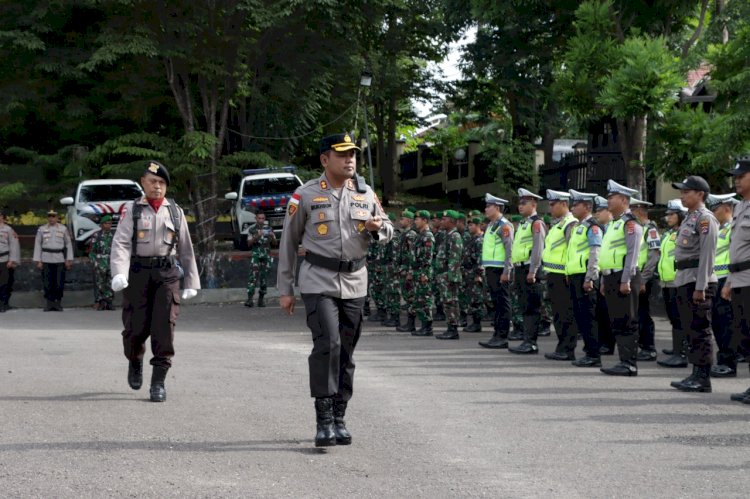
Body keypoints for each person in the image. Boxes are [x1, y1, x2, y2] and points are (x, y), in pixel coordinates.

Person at [276, 132, 393, 447]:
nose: (350, 159)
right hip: (318, 280)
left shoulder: (365, 193)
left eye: (352, 154)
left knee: (347, 351)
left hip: (355, 282)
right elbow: (288, 241)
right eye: (342, 154)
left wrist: (377, 228)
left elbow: (388, 227)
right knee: (328, 344)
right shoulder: (305, 194)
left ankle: (340, 417)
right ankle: (323, 420)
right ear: (325, 159)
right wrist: (285, 287)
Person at [110, 160, 200, 402]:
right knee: (134, 328)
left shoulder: (175, 211)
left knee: (164, 328)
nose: (157, 187)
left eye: (161, 183)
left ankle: (158, 382)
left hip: (166, 274)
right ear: (143, 183)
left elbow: (186, 249)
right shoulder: (132, 210)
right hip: (138, 273)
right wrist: (119, 271)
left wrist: (191, 281)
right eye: (153, 182)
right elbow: (121, 243)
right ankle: (135, 359)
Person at [669, 175, 718, 393]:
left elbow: (707, 254)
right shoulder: (689, 218)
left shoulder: (706, 219)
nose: (682, 195)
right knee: (690, 328)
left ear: (700, 194)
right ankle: (695, 372)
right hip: (685, 279)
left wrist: (701, 286)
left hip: (697, 281)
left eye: (686, 191)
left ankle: (703, 377)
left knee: (700, 329)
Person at [599, 180, 642, 377]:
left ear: (623, 200)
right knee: (616, 320)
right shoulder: (614, 224)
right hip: (610, 277)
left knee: (627, 320)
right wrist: (602, 279)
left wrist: (626, 279)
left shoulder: (630, 224)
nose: (608, 201)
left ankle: (629, 363)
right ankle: (622, 361)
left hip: (623, 277)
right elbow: (606, 254)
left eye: (611, 197)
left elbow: (633, 255)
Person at [723, 156, 750, 404]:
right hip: (740, 278)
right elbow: (735, 246)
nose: (737, 181)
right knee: (744, 334)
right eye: (736, 177)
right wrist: (730, 280)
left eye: (741, 176)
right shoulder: (741, 206)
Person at [565, 189, 603, 367]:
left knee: (589, 317)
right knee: (580, 316)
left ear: (587, 207)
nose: (572, 207)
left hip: (585, 278)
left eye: (576, 204)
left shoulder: (592, 227)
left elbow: (595, 253)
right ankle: (589, 351)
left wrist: (590, 277)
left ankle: (594, 354)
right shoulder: (578, 227)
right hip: (574, 276)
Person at [541, 189, 578, 361]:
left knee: (565, 313)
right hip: (553, 274)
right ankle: (561, 346)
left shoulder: (570, 224)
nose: (550, 207)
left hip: (563, 275)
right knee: (557, 313)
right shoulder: (558, 224)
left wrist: (568, 272)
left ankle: (567, 348)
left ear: (564, 204)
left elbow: (573, 249)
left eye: (553, 204)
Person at [508, 188, 546, 355]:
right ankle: (526, 339)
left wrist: (533, 270)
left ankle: (531, 343)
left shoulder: (536, 223)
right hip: (520, 268)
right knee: (524, 306)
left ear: (533, 204)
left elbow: (538, 248)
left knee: (531, 307)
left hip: (530, 270)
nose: (520, 206)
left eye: (524, 203)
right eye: (519, 203)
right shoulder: (524, 224)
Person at [707, 193, 739, 378]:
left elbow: (736, 256)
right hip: (716, 280)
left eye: (716, 208)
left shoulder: (733, 229)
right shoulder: (720, 230)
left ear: (727, 208)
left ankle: (729, 363)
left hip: (726, 280)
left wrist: (730, 281)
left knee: (727, 324)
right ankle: (724, 359)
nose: (713, 212)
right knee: (718, 324)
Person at [656, 199, 689, 368]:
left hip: (679, 281)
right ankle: (679, 348)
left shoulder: (685, 232)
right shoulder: (669, 233)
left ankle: (681, 353)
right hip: (667, 281)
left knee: (679, 318)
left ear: (681, 215)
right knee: (674, 318)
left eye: (672, 214)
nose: (668, 217)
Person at [478, 194, 514, 349]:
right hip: (492, 268)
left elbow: (509, 250)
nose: (486, 209)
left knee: (502, 303)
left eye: (488, 206)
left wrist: (507, 271)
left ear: (497, 208)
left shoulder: (504, 225)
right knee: (496, 302)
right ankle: (497, 333)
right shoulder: (492, 225)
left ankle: (502, 336)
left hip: (500, 269)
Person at [630, 198, 660, 362]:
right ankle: (640, 345)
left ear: (640, 210)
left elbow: (654, 256)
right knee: (635, 314)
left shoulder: (650, 229)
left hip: (644, 278)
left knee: (643, 314)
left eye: (633, 209)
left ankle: (649, 348)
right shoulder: (638, 228)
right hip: (636, 277)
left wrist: (643, 279)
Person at [32, 210, 73, 311]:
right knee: (47, 283)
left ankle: (57, 303)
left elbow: (68, 244)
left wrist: (68, 259)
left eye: (53, 216)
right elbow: (37, 244)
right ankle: (49, 303)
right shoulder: (42, 229)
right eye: (50, 216)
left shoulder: (63, 229)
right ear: (47, 218)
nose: (51, 219)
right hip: (46, 258)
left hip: (59, 258)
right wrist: (38, 260)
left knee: (59, 282)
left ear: (57, 218)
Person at [435, 210, 464, 340]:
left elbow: (455, 258)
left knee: (451, 301)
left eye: (445, 219)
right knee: (447, 302)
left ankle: (453, 329)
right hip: (444, 274)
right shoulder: (447, 235)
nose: (442, 221)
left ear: (452, 221)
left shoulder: (455, 236)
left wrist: (450, 276)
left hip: (449, 275)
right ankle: (450, 327)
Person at [593, 195, 615, 356]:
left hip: (615, 274)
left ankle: (608, 344)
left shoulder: (614, 227)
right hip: (603, 274)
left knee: (609, 312)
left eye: (600, 210)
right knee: (600, 312)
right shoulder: (604, 229)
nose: (597, 214)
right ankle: (603, 342)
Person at [411, 210, 436, 336]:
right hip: (418, 271)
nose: (415, 221)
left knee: (425, 299)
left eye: (418, 219)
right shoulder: (420, 235)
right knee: (420, 299)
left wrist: (424, 273)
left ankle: (427, 327)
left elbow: (428, 257)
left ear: (425, 220)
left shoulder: (427, 236)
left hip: (423, 272)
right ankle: (423, 325)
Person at [245, 211, 276, 308]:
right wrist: (257, 236)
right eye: (259, 218)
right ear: (256, 218)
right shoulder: (252, 229)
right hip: (256, 256)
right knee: (252, 277)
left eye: (263, 218)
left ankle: (261, 300)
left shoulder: (269, 229)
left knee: (264, 279)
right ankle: (250, 299)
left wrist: (272, 236)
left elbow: (275, 244)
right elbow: (248, 244)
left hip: (266, 256)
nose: (261, 220)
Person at [395, 210, 419, 332]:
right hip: (402, 269)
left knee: (410, 297)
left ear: (409, 221)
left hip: (407, 270)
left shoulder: (411, 235)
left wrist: (410, 271)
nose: (400, 221)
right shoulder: (404, 234)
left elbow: (412, 254)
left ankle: (411, 323)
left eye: (403, 219)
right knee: (406, 295)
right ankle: (409, 322)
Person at [462, 216, 485, 333]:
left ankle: (477, 323)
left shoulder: (480, 240)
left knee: (476, 299)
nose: (469, 227)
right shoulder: (472, 239)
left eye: (471, 225)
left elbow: (480, 259)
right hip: (469, 272)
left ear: (478, 226)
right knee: (471, 298)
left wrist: (478, 274)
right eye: (469, 225)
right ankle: (474, 322)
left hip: (475, 273)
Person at [88, 215, 115, 310]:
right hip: (100, 261)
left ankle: (109, 301)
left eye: (109, 223)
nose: (108, 225)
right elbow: (92, 251)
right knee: (100, 282)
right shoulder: (97, 235)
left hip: (110, 261)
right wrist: (94, 262)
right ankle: (101, 301)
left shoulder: (114, 235)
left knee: (110, 282)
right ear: (102, 225)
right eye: (106, 223)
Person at [0, 211, 21, 312]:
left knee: (5, 283)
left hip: (4, 260)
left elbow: (14, 245)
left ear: (3, 218)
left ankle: (3, 303)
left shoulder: (8, 230)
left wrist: (12, 260)